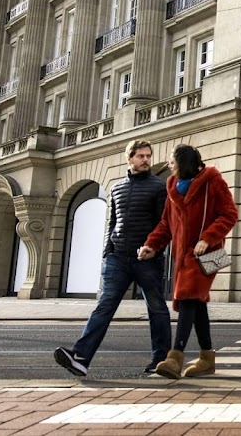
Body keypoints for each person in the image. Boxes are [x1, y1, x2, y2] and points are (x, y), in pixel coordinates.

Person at [54, 139, 171, 377]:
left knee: (157, 308)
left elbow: (165, 223)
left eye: (148, 156)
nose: (146, 160)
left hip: (147, 258)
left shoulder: (159, 187)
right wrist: (107, 252)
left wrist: (154, 248)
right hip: (117, 258)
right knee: (104, 307)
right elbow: (113, 223)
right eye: (141, 156)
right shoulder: (116, 188)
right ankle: (81, 358)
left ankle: (161, 361)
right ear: (129, 159)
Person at [138, 144, 238, 378]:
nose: (169, 165)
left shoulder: (212, 180)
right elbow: (166, 224)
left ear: (182, 162)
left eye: (172, 160)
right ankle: (206, 358)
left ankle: (175, 358)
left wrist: (208, 238)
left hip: (206, 255)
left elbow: (229, 213)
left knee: (186, 299)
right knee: (196, 304)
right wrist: (151, 245)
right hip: (182, 256)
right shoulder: (172, 186)